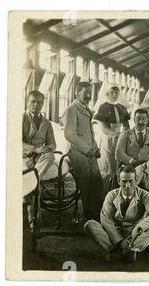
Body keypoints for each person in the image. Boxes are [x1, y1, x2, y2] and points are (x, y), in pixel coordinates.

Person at [84, 165, 149, 262]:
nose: (128, 186)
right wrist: (120, 241)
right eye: (124, 182)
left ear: (136, 180)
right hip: (115, 234)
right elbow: (106, 221)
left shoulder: (144, 195)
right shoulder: (111, 195)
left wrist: (139, 228)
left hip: (135, 235)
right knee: (90, 225)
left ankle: (125, 250)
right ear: (118, 181)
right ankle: (122, 250)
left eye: (131, 181)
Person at [63, 82, 103, 221]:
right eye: (85, 92)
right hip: (76, 151)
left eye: (90, 93)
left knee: (98, 181)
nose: (88, 95)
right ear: (77, 92)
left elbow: (90, 133)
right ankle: (89, 217)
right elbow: (69, 134)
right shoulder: (71, 109)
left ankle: (97, 213)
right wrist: (86, 150)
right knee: (86, 181)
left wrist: (95, 148)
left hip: (89, 152)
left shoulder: (86, 109)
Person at [93, 83, 130, 195]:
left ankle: (119, 194)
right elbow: (104, 127)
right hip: (108, 139)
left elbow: (127, 126)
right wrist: (115, 133)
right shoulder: (103, 107)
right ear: (107, 93)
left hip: (120, 138)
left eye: (116, 92)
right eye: (112, 92)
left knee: (120, 167)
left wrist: (125, 135)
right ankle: (106, 195)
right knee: (109, 168)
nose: (114, 95)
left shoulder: (122, 108)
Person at [22, 90, 56, 180]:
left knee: (50, 156)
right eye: (33, 101)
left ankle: (33, 182)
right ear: (27, 102)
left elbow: (52, 144)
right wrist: (34, 149)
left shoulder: (47, 123)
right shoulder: (20, 118)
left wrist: (46, 148)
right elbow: (14, 142)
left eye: (39, 102)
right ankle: (35, 185)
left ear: (43, 104)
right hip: (24, 156)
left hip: (39, 157)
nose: (36, 105)